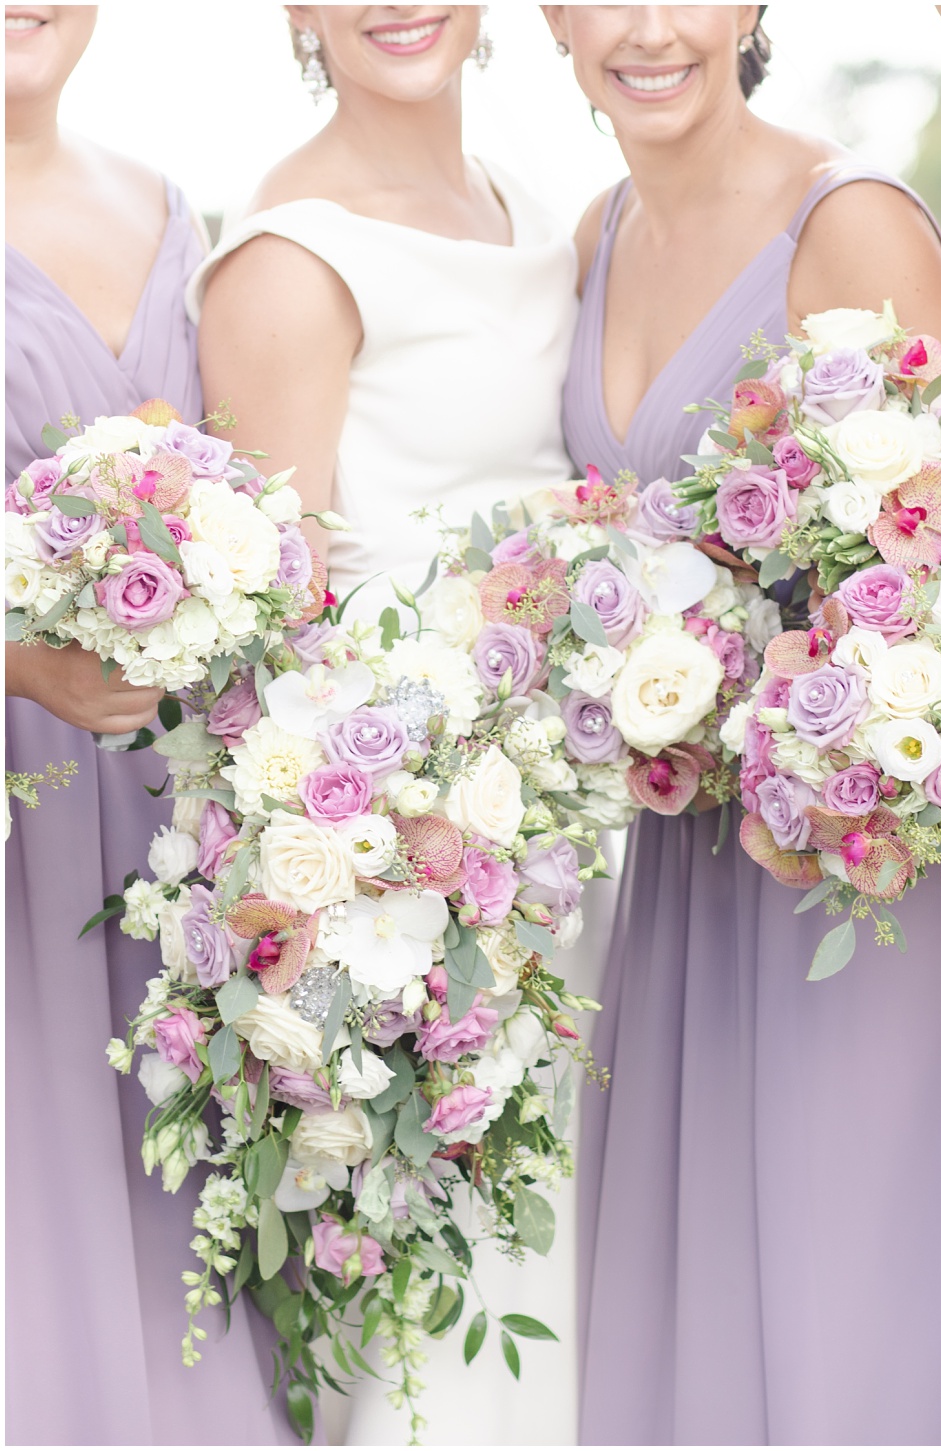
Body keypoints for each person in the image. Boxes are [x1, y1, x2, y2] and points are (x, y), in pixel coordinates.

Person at [541, 6, 941, 1442]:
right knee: (693, 1290)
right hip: (682, 847)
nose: (650, 30)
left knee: (839, 1281)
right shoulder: (600, 231)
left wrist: (789, 695)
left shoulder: (846, 226)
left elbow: (939, 556)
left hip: (841, 857)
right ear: (550, 19)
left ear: (751, 11)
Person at [190, 5, 585, 1440]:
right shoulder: (290, 253)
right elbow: (279, 602)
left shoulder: (536, 209)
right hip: (411, 814)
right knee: (455, 1227)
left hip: (578, 797)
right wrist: (400, 809)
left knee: (582, 1222)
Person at [3, 6, 290, 1442]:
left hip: (177, 801)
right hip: (21, 794)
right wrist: (19, 662)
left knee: (176, 1167)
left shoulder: (173, 204)